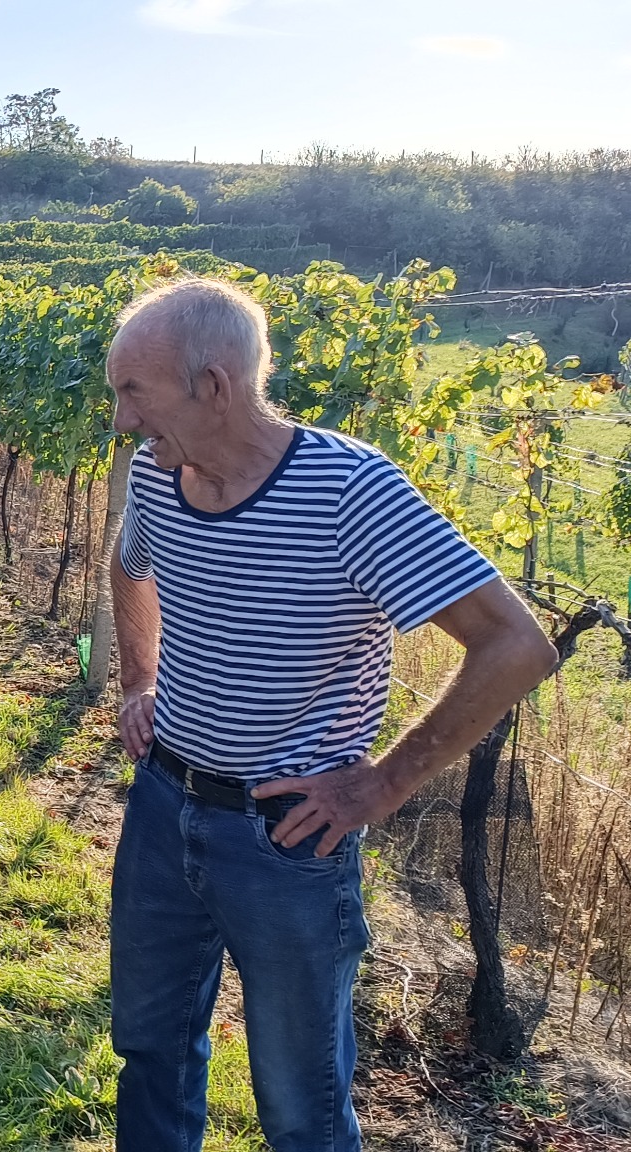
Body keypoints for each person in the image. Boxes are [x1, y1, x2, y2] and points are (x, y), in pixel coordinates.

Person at [105, 278, 559, 1152]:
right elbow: (132, 566)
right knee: (149, 1056)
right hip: (162, 806)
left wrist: (383, 783)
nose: (122, 420)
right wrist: (138, 680)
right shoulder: (157, 480)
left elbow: (515, 645)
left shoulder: (349, 491)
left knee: (301, 1109)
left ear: (215, 386)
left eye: (134, 392)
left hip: (287, 841)